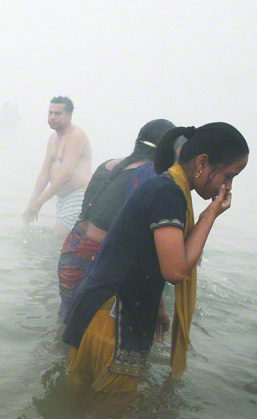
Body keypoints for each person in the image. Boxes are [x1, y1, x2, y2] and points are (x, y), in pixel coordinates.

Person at [62, 123, 248, 394]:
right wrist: (210, 215)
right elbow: (176, 270)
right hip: (110, 317)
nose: (228, 186)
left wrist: (158, 306)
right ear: (202, 163)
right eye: (228, 175)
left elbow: (140, 252)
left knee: (78, 406)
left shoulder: (165, 185)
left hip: (98, 309)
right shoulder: (168, 193)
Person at [58, 118, 175, 321]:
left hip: (72, 250)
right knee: (96, 332)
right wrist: (159, 306)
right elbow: (144, 242)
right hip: (97, 258)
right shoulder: (151, 175)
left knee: (69, 320)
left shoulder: (109, 165)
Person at [24, 96, 92, 237]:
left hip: (77, 195)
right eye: (50, 113)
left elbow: (67, 174)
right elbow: (44, 174)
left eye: (58, 113)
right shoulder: (53, 138)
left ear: (69, 115)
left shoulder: (76, 136)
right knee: (59, 238)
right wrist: (31, 203)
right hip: (62, 198)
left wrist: (40, 202)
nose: (52, 117)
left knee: (60, 239)